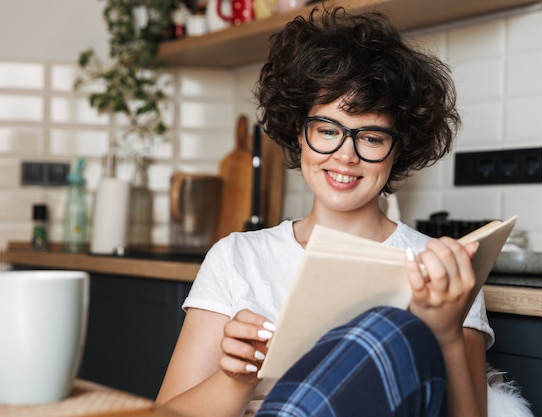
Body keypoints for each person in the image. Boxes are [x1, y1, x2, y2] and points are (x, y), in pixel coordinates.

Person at [156, 7, 495, 417]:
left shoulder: (442, 270)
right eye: (328, 131)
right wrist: (236, 378)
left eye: (371, 137)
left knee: (388, 327)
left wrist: (444, 334)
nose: (345, 156)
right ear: (300, 133)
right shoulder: (237, 258)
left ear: (398, 148)